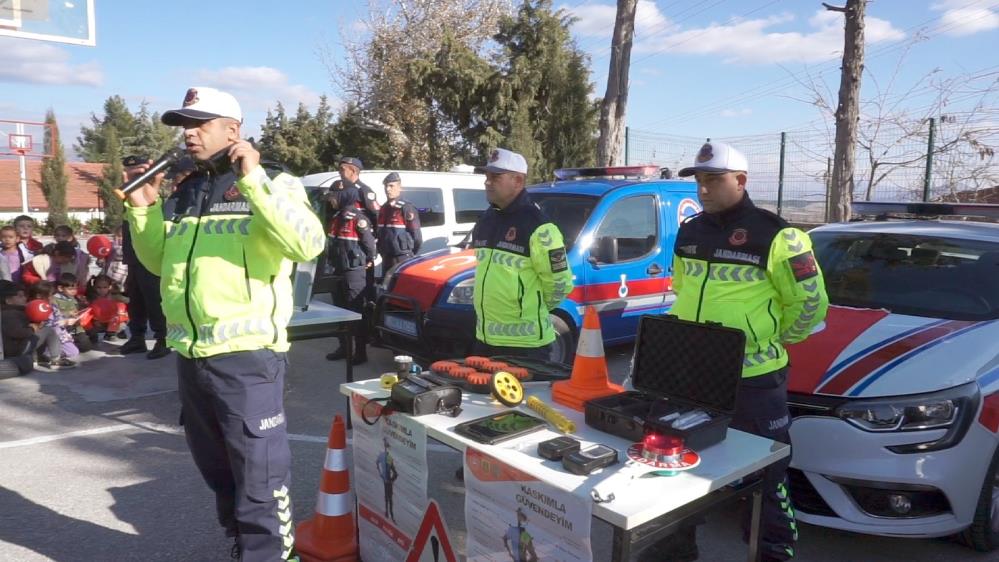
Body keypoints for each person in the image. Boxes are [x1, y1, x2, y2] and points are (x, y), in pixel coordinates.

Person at [122, 86, 322, 562]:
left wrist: (253, 181)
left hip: (248, 358)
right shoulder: (186, 190)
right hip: (191, 356)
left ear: (232, 130)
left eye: (200, 123)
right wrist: (143, 208)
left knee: (259, 476)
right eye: (183, 125)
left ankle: (272, 555)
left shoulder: (276, 182)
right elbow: (156, 261)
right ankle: (242, 543)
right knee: (219, 471)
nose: (188, 133)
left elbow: (307, 244)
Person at [638, 142, 828, 562]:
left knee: (767, 478)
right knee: (674, 466)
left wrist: (773, 339)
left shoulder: (779, 235)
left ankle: (772, 554)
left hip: (756, 382)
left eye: (714, 179)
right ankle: (674, 550)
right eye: (700, 180)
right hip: (691, 376)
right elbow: (685, 292)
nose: (703, 189)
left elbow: (811, 304)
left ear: (741, 181)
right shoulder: (690, 231)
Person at [469, 148, 573, 360]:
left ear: (518, 180)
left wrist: (529, 308)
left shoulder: (539, 226)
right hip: (485, 340)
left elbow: (560, 283)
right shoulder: (486, 219)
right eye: (486, 176)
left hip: (526, 346)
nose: (487, 182)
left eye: (495, 177)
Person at [323, 182, 376, 365]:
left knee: (356, 311)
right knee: (339, 310)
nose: (331, 198)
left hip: (353, 272)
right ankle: (344, 348)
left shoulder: (358, 219)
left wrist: (368, 260)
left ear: (345, 196)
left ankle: (360, 352)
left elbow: (370, 246)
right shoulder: (336, 217)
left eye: (336, 195)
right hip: (337, 270)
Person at [118, 221, 170, 359]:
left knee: (153, 300)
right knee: (135, 299)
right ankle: (137, 338)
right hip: (132, 256)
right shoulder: (127, 203)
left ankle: (162, 340)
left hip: (149, 256)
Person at [0, 280, 69, 373]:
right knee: (49, 331)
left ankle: (36, 359)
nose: (24, 298)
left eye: (24, 295)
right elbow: (17, 332)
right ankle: (56, 360)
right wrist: (33, 328)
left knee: (41, 331)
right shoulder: (9, 314)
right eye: (20, 296)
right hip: (16, 350)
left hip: (17, 347)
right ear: (8, 301)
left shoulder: (18, 311)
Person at [376, 172, 422, 272]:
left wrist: (409, 254)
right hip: (386, 257)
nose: (387, 189)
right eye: (386, 186)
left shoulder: (406, 207)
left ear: (399, 187)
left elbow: (417, 237)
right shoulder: (384, 208)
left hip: (401, 257)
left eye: (391, 186)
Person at [28, 281, 81, 362]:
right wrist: (64, 322)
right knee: (72, 351)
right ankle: (46, 354)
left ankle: (50, 353)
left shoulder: (52, 305)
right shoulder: (35, 307)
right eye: (50, 295)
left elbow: (57, 316)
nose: (52, 297)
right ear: (39, 296)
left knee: (73, 351)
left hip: (59, 333)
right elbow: (45, 324)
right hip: (47, 337)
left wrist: (68, 317)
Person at [53, 273, 93, 354]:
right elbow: (54, 314)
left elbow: (78, 309)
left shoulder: (74, 298)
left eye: (75, 289)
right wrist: (68, 313)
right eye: (71, 289)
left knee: (87, 346)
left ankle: (71, 344)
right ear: (60, 288)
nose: (74, 291)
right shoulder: (55, 299)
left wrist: (84, 305)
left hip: (76, 328)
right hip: (64, 329)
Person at [20, 241, 88, 289]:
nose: (67, 261)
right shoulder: (40, 261)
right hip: (37, 289)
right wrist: (39, 281)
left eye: (70, 259)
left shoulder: (64, 265)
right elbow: (26, 276)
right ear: (57, 253)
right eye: (66, 258)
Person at [375, 437, 398, 522]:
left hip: (386, 479)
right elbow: (394, 472)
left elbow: (377, 463)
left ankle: (388, 513)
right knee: (389, 498)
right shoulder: (387, 457)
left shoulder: (384, 456)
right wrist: (391, 479)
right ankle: (389, 513)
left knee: (387, 497)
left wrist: (381, 474)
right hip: (387, 480)